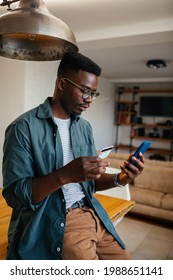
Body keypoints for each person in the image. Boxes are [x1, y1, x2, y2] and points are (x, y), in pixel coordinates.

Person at [2, 52, 144, 260]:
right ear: (61, 84)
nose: (89, 100)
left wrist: (121, 178)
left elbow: (88, 182)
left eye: (93, 93)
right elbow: (15, 195)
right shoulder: (22, 128)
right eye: (85, 91)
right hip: (59, 222)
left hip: (94, 214)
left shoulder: (83, 127)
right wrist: (64, 175)